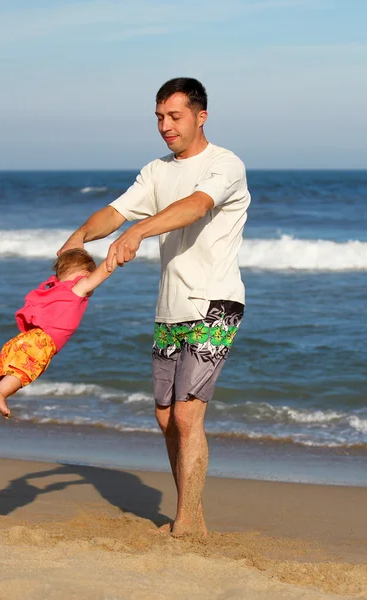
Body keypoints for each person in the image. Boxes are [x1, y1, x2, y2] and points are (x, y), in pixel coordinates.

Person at [58, 77, 251, 536]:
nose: (166, 125)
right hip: (170, 307)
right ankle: (194, 517)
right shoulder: (156, 170)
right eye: (160, 118)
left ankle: (184, 524)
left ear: (201, 116)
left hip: (216, 302)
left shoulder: (225, 164)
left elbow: (196, 206)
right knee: (166, 415)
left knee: (187, 413)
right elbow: (116, 212)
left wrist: (140, 233)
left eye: (175, 117)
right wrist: (79, 236)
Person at [0, 249, 117, 433]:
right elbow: (102, 273)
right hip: (41, 342)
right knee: (21, 373)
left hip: (22, 339)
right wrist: (115, 255)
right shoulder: (78, 288)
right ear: (86, 274)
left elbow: (67, 259)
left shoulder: (53, 287)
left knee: (1, 373)